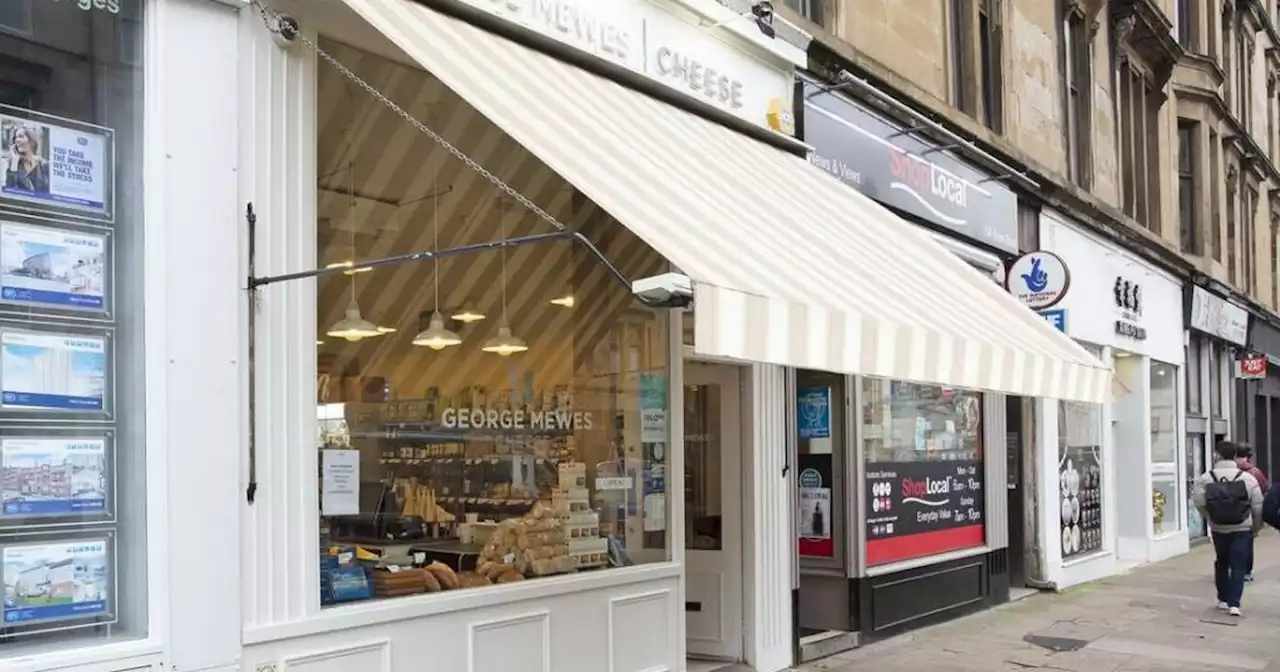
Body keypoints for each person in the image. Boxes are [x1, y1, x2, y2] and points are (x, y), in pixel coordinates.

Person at [1192, 440, 1264, 617]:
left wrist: (1209, 517)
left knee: (1222, 561)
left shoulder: (1206, 478)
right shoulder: (1247, 478)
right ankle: (1234, 603)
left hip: (1218, 528)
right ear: (1235, 456)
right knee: (1238, 565)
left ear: (1217, 455)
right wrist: (1255, 527)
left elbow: (1199, 502)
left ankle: (1222, 599)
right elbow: (1257, 506)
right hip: (1242, 528)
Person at [1234, 443, 1269, 582]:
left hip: (1227, 513)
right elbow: (1264, 488)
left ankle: (1232, 568)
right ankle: (1246, 572)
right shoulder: (1254, 472)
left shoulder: (1228, 471)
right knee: (1247, 543)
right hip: (1247, 513)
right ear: (1249, 456)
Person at [4, 124, 49, 194]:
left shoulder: (44, 165)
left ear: (31, 141)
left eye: (21, 136)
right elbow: (10, 191)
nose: (17, 140)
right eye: (15, 137)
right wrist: (14, 161)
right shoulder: (13, 167)